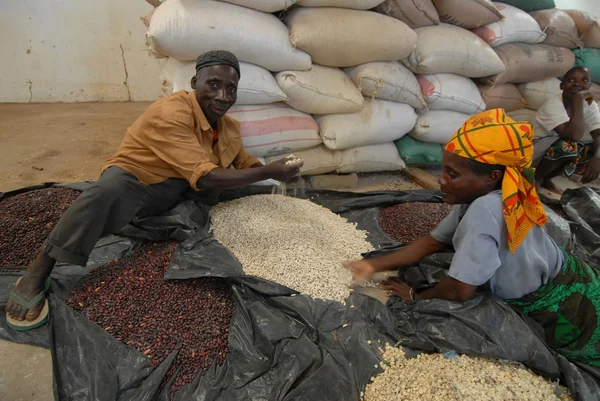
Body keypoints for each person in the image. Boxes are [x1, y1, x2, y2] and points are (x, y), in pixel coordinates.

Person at [6, 50, 302, 331]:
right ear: (194, 83)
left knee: (229, 192)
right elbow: (209, 177)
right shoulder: (171, 111)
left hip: (182, 190)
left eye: (231, 89)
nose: (223, 96)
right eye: (213, 85)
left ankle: (172, 225)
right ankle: (39, 269)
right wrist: (267, 172)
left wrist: (276, 174)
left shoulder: (228, 129)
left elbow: (243, 164)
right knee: (103, 193)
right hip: (141, 183)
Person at [346, 109, 600, 367]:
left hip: (563, 310)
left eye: (452, 174)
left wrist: (415, 295)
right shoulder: (497, 192)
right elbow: (433, 241)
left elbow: (459, 291)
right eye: (443, 170)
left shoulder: (484, 211)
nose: (441, 180)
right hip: (575, 273)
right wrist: (372, 265)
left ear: (492, 177)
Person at [534, 66, 600, 193]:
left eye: (584, 80)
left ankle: (547, 177)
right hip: (534, 151)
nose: (577, 84)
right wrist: (578, 100)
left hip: (554, 152)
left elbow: (598, 134)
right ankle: (537, 177)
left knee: (591, 149)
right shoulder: (553, 105)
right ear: (561, 86)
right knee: (568, 146)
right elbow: (572, 135)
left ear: (590, 85)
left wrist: (598, 157)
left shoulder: (589, 105)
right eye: (571, 80)